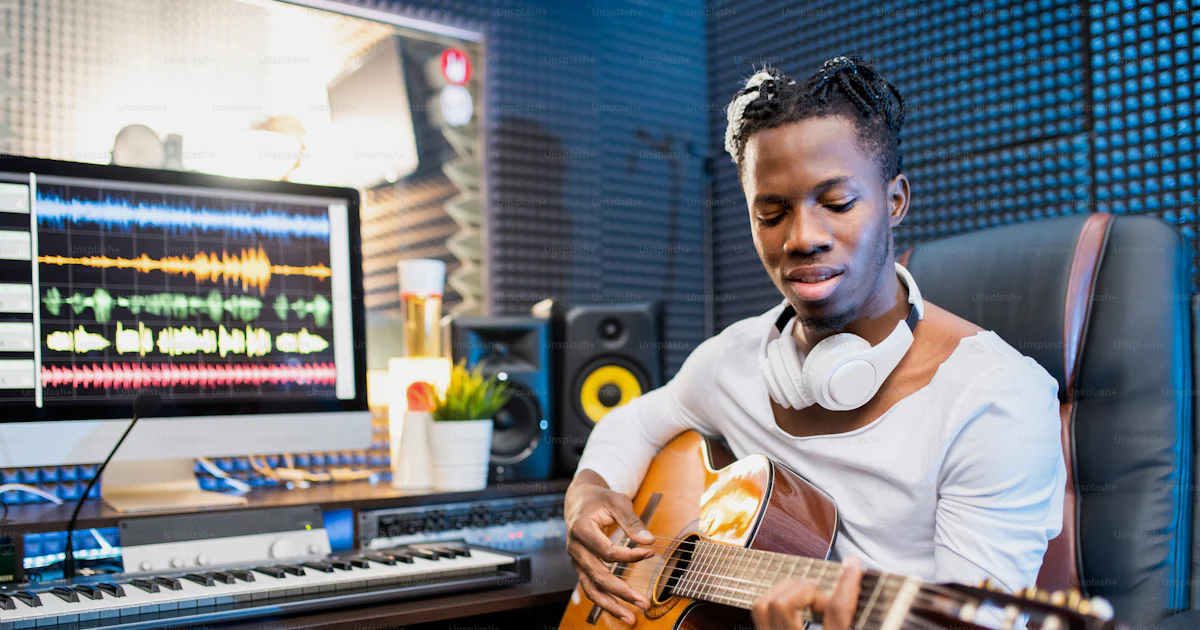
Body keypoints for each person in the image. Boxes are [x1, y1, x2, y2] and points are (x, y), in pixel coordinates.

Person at [563, 55, 1066, 630]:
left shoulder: (996, 398)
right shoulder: (733, 358)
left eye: (838, 203)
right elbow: (634, 422)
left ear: (896, 200)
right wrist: (588, 490)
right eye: (772, 213)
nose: (802, 238)